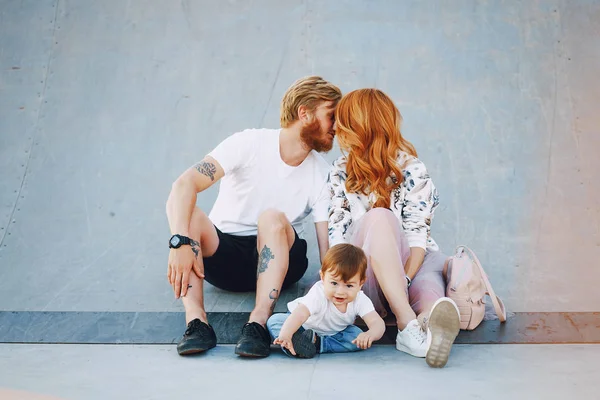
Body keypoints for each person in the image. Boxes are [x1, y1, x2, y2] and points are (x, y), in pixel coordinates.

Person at [165, 76, 342, 358]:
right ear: (304, 113)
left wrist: (343, 288)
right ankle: (196, 322)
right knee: (190, 214)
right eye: (332, 116)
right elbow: (182, 186)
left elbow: (327, 247)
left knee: (271, 217)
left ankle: (258, 323)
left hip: (281, 257)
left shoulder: (323, 174)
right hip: (225, 258)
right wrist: (179, 242)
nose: (338, 126)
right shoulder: (248, 143)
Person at [327, 88, 461, 368]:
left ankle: (427, 328)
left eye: (342, 119)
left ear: (361, 126)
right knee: (380, 217)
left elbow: (417, 238)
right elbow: (338, 241)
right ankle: (406, 322)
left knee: (431, 291)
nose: (335, 126)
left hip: (412, 265)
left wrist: (403, 282)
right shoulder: (340, 171)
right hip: (364, 274)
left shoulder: (412, 169)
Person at [267, 243, 385, 358]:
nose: (340, 292)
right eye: (334, 283)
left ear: (361, 283)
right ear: (323, 277)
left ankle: (317, 344)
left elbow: (376, 322)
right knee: (275, 321)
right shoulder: (318, 293)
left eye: (349, 286)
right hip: (301, 326)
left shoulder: (360, 299)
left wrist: (370, 334)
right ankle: (290, 342)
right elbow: (300, 314)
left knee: (356, 336)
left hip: (333, 334)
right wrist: (286, 334)